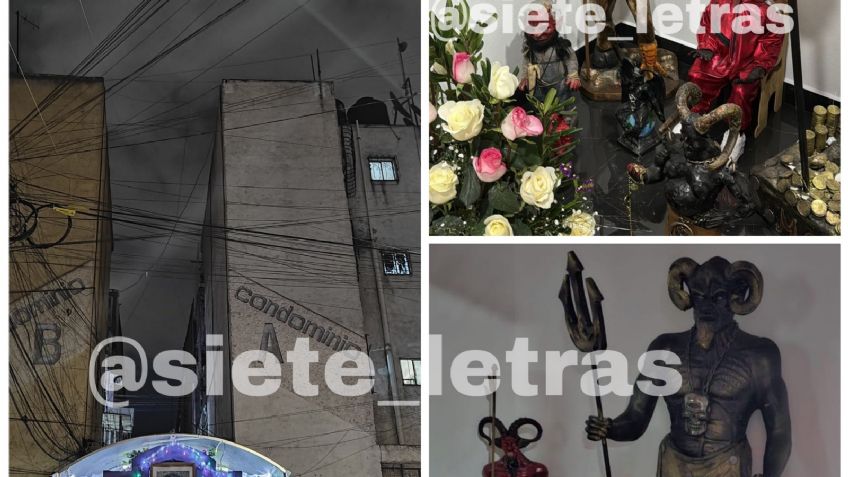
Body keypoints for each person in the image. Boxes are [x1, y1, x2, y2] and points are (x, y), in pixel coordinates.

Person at [584, 257, 792, 477]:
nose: (707, 306)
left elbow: (779, 431)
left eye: (718, 297)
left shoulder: (759, 354)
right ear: (690, 296)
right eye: (699, 296)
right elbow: (636, 417)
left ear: (736, 297)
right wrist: (609, 428)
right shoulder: (665, 348)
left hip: (728, 464)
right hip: (675, 463)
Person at [687, 0, 786, 153]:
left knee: (742, 93)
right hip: (720, 56)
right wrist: (707, 46)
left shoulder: (765, 12)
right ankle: (695, 116)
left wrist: (759, 66)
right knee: (698, 73)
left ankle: (736, 134)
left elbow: (772, 40)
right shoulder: (719, 3)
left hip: (747, 63)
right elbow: (707, 25)